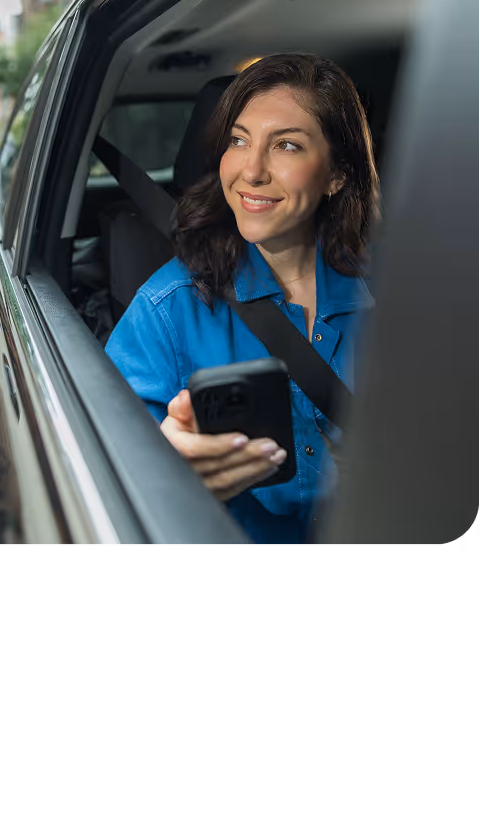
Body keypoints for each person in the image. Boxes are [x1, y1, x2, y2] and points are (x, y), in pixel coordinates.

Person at [104, 53, 380, 544]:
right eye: (238, 140)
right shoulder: (166, 309)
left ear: (336, 174)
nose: (251, 171)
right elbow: (100, 474)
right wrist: (159, 471)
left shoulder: (400, 297)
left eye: (287, 145)